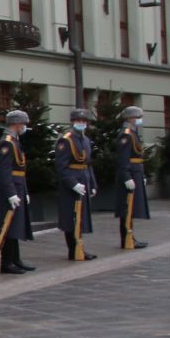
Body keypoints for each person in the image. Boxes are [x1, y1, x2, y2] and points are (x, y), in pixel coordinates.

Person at [0, 109, 36, 274]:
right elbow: (5, 171)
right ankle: (6, 262)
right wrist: (11, 193)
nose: (24, 127)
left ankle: (15, 259)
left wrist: (23, 191)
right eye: (23, 123)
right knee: (8, 227)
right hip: (9, 189)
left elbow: (20, 169)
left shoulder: (14, 141)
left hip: (17, 186)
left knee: (15, 226)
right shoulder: (7, 142)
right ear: (17, 124)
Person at [54, 106, 99, 260]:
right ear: (73, 121)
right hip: (71, 183)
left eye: (84, 121)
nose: (82, 123)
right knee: (71, 217)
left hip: (84, 179)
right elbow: (61, 166)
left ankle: (80, 247)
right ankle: (73, 249)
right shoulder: (66, 139)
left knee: (81, 217)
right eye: (78, 120)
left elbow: (87, 163)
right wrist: (72, 183)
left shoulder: (85, 139)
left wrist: (92, 183)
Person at [114, 104, 151, 250]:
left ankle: (130, 236)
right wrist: (126, 176)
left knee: (131, 207)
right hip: (130, 173)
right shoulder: (126, 134)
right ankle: (127, 238)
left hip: (135, 172)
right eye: (138, 117)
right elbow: (123, 158)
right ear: (130, 118)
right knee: (127, 207)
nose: (140, 120)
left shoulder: (133, 133)